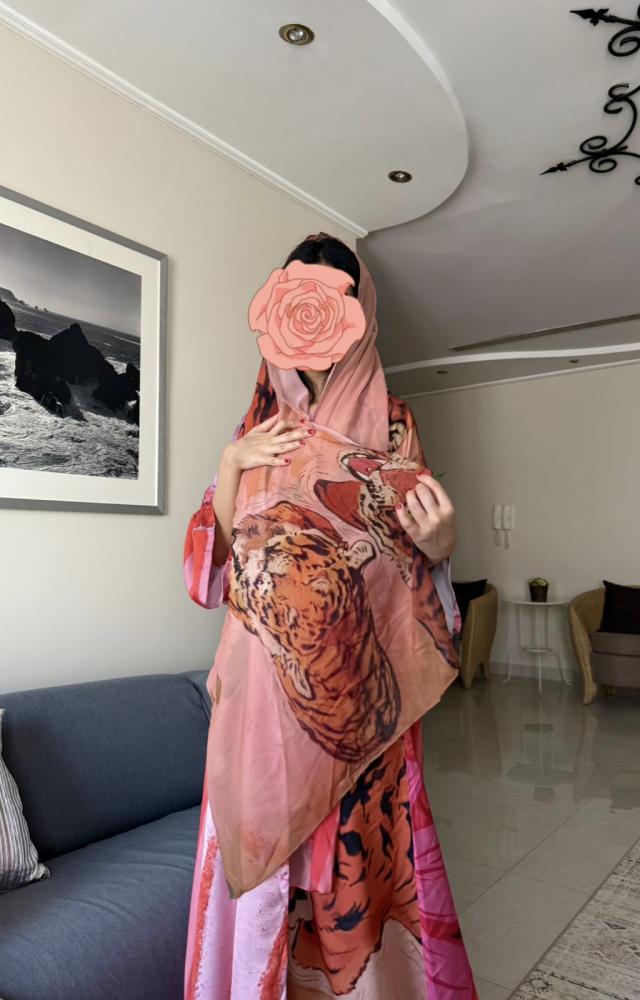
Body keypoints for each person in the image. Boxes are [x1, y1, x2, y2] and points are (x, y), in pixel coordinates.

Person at [182, 234, 478, 999]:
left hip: (360, 721)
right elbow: (211, 584)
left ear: (361, 316)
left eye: (336, 297)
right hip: (256, 718)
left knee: (350, 893)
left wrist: (442, 546)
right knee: (265, 905)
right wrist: (230, 467)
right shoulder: (255, 430)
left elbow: (408, 576)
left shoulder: (395, 425)